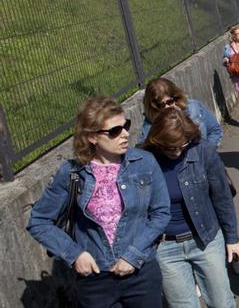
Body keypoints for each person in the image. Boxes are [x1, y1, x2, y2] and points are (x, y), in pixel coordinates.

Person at [28, 96, 170, 308]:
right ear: (92, 137)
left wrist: (133, 255)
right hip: (95, 280)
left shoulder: (144, 162)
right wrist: (74, 254)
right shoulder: (72, 173)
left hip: (141, 273)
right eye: (114, 131)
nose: (125, 134)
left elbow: (161, 213)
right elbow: (39, 221)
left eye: (126, 126)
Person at [143, 109, 239, 308]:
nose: (177, 152)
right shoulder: (145, 160)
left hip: (206, 239)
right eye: (170, 148)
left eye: (183, 145)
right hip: (165, 248)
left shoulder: (203, 151)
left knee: (222, 303)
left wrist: (232, 238)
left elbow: (222, 197)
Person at [139, 77, 224, 148]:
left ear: (176, 98)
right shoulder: (150, 124)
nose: (166, 108)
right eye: (160, 105)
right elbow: (145, 150)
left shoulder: (194, 107)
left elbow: (215, 130)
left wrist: (207, 154)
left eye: (169, 102)